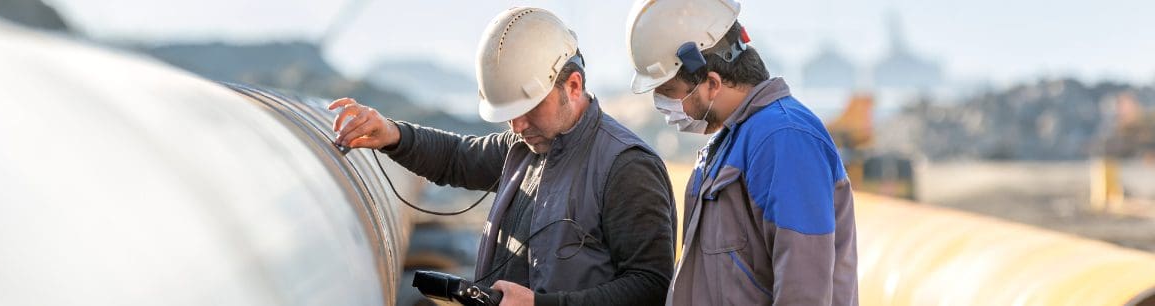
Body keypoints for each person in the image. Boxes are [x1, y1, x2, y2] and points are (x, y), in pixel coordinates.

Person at [330, 7, 675, 306]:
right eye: (509, 113)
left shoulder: (627, 166)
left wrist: (541, 305)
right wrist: (393, 134)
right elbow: (457, 158)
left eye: (529, 108)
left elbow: (649, 288)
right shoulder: (525, 147)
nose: (517, 124)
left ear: (572, 85)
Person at [625, 0, 858, 305]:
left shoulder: (784, 139)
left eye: (670, 93)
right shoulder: (735, 141)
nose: (666, 109)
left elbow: (804, 290)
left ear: (711, 83)